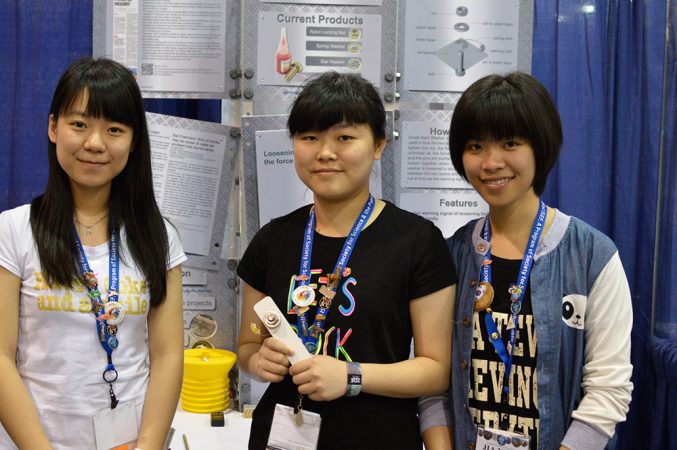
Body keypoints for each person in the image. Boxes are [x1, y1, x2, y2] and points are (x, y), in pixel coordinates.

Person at [237, 71, 455, 449]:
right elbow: (247, 346)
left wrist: (351, 376)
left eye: (345, 137)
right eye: (309, 138)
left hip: (378, 436)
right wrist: (258, 363)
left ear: (378, 145)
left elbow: (436, 371)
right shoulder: (271, 240)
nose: (325, 152)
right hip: (281, 436)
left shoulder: (417, 241)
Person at [418, 72, 633, 450]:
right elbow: (433, 382)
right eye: (475, 146)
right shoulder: (450, 253)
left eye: (510, 143)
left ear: (540, 146)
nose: (491, 162)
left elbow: (608, 391)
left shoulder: (592, 255)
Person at [0, 57, 186, 449]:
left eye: (114, 129)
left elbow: (168, 355)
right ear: (54, 128)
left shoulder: (158, 236)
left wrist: (149, 446)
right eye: (79, 124)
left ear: (134, 141)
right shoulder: (13, 230)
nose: (95, 143)